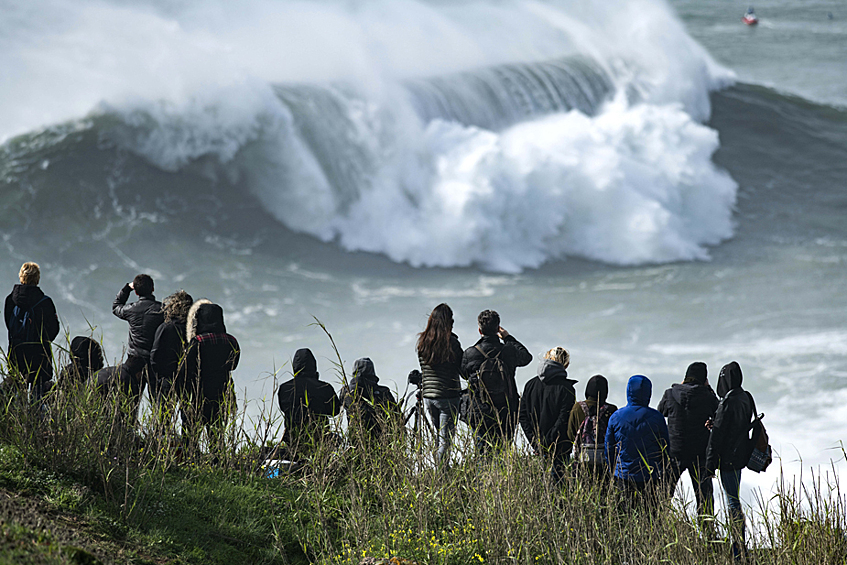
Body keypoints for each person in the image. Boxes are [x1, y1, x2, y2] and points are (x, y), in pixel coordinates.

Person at [462, 309, 532, 455]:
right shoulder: (508, 351)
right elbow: (526, 357)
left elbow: (463, 374)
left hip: (481, 411)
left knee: (483, 455)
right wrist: (508, 337)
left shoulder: (471, 353)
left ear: (480, 330)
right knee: (504, 453)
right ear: (497, 329)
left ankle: (484, 478)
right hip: (506, 410)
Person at [658, 362, 719, 521]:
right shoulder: (707, 396)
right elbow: (720, 414)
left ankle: (657, 528)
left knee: (663, 496)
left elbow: (660, 414)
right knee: (704, 499)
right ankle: (708, 536)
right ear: (704, 379)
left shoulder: (670, 394)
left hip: (674, 452)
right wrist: (709, 389)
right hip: (700, 454)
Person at [177, 301, 240, 453]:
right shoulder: (231, 341)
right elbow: (233, 366)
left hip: (197, 396)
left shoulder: (198, 342)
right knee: (216, 437)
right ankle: (217, 464)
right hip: (220, 395)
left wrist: (182, 395)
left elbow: (184, 372)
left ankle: (190, 463)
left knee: (190, 437)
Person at [705, 361, 754, 559]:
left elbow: (717, 437)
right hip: (740, 454)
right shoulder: (745, 397)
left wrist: (709, 465)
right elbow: (736, 426)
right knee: (734, 497)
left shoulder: (727, 402)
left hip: (728, 458)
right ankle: (739, 544)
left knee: (732, 501)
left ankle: (738, 548)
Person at [605, 375, 669, 500]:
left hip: (623, 475)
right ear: (648, 393)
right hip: (650, 475)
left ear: (628, 391)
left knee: (623, 514)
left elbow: (609, 448)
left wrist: (613, 470)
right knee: (650, 514)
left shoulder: (616, 416)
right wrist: (662, 470)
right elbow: (665, 448)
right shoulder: (657, 417)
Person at [518, 347, 577, 481]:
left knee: (539, 486)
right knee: (558, 488)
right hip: (559, 447)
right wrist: (549, 442)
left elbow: (522, 416)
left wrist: (535, 442)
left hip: (537, 447)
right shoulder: (567, 388)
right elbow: (563, 419)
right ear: (565, 364)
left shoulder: (530, 384)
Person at [4, 262, 60, 401]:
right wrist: (42, 341)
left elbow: (9, 326)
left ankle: (17, 420)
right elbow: (54, 329)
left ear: (21, 277)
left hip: (16, 353)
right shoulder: (45, 302)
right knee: (38, 395)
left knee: (16, 394)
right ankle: (37, 419)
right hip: (39, 355)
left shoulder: (10, 300)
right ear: (38, 278)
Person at [416, 303, 463, 467]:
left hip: (428, 396)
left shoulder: (423, 342)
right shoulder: (452, 343)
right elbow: (462, 369)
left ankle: (439, 470)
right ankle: (441, 475)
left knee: (438, 436)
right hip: (448, 397)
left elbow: (424, 369)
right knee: (445, 439)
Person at [111, 274, 164, 409]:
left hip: (135, 361)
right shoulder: (163, 310)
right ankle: (159, 429)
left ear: (136, 292)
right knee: (158, 402)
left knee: (131, 401)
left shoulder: (131, 309)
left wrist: (126, 288)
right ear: (153, 289)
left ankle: (129, 429)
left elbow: (116, 307)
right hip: (156, 361)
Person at [277, 348, 340, 457]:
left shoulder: (285, 388)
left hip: (292, 442)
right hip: (320, 441)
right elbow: (335, 411)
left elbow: (284, 408)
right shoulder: (325, 388)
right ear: (314, 366)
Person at [339, 357, 400, 444]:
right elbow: (398, 417)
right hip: (382, 442)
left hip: (356, 442)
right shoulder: (383, 392)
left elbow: (336, 410)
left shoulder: (346, 392)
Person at [150, 290, 193, 403]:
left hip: (167, 378)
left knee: (163, 417)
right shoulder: (193, 330)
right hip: (188, 380)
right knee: (188, 417)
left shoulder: (166, 328)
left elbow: (155, 356)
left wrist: (159, 377)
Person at [568, 374, 618, 471]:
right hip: (605, 462)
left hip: (583, 460)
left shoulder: (577, 408)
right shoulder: (612, 410)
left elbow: (570, 435)